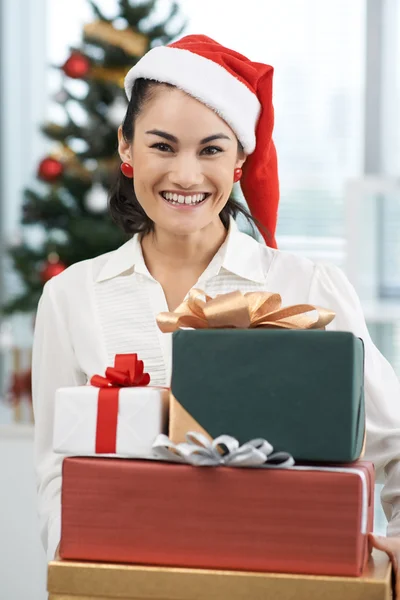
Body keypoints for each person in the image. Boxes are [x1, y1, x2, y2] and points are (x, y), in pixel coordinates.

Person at [32, 34, 400, 586]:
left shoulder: (309, 288)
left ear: (239, 160)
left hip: (283, 580)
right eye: (162, 146)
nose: (185, 176)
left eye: (210, 149)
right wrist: (88, 576)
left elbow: (390, 444)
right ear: (126, 148)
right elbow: (56, 473)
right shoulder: (71, 297)